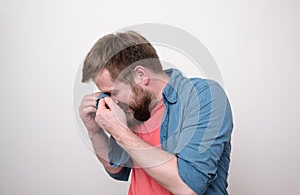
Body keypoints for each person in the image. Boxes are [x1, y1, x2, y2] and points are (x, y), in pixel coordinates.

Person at [79, 30, 233, 195]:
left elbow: (189, 186)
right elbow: (117, 169)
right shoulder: (133, 108)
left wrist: (119, 131)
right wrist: (94, 131)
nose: (112, 101)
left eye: (114, 93)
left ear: (140, 75)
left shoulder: (204, 96)